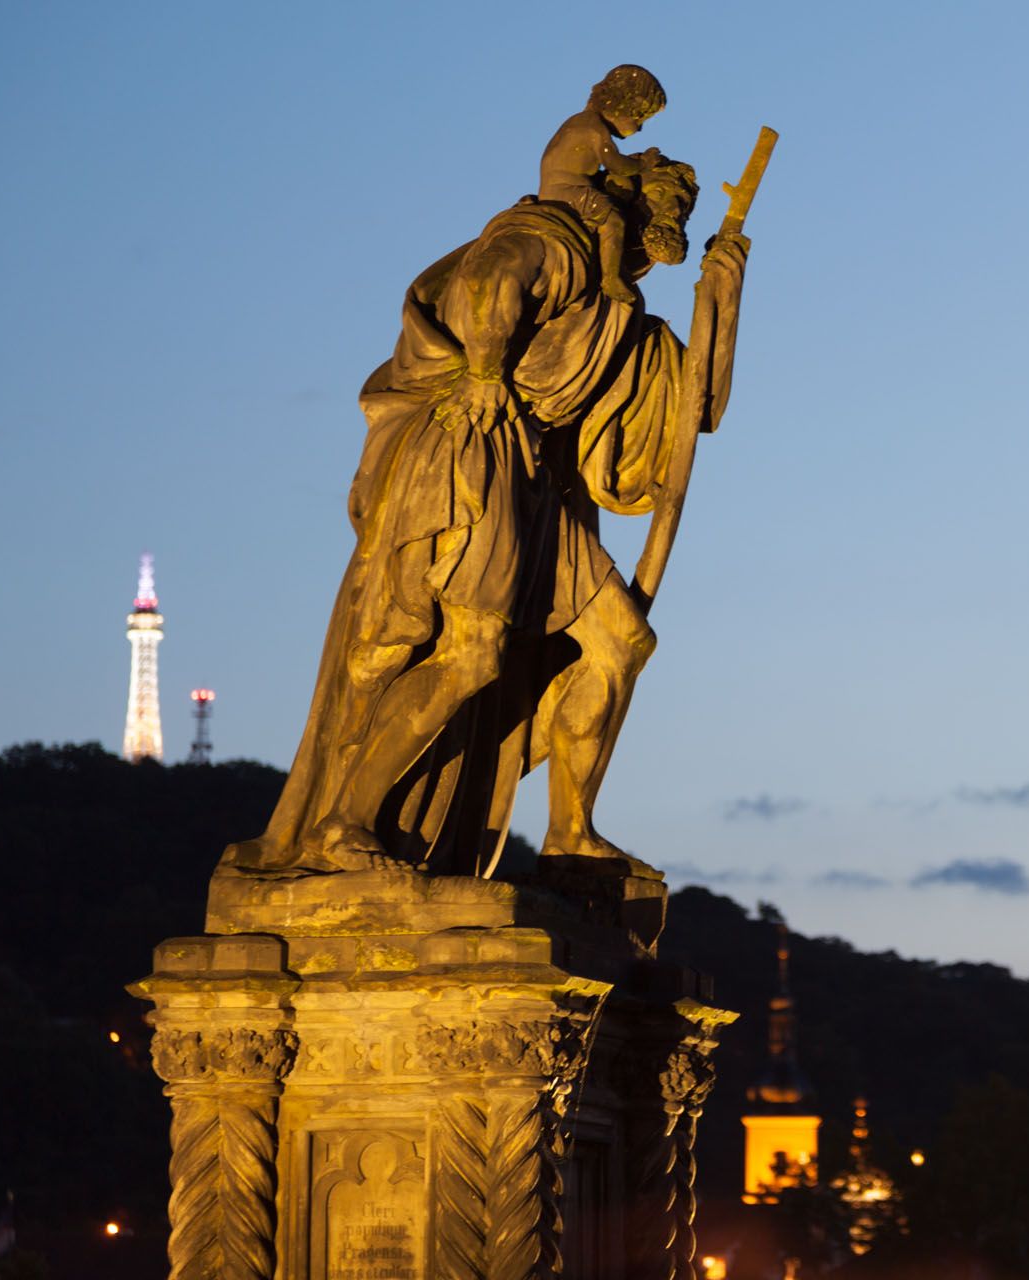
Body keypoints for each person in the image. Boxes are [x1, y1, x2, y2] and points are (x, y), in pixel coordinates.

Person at [223, 139, 749, 879]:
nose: (669, 228)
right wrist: (484, 370)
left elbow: (696, 410)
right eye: (663, 207)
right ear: (625, 205)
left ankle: (571, 833)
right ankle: (344, 822)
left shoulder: (623, 319)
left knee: (622, 644)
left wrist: (722, 304)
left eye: (680, 217)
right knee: (469, 654)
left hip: (538, 493)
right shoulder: (556, 241)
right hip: (479, 458)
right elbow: (490, 277)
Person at [537, 64, 667, 305]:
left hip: (555, 188)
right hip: (568, 191)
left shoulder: (578, 121)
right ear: (621, 105)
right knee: (612, 217)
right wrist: (644, 164)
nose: (639, 127)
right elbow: (615, 163)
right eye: (638, 117)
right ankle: (611, 276)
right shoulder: (593, 128)